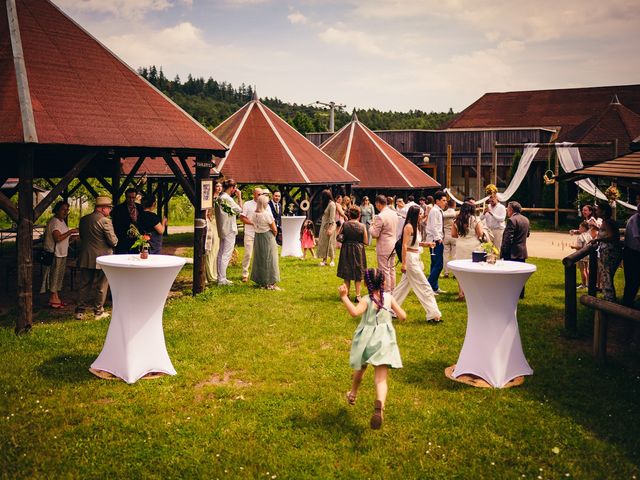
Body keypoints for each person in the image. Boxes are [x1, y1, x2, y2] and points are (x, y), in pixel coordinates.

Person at [340, 268, 406, 430]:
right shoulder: (389, 298)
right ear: (384, 283)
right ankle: (379, 406)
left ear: (365, 283)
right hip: (383, 341)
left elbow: (355, 313)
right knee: (381, 379)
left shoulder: (366, 300)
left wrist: (343, 297)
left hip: (366, 341)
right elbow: (403, 316)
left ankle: (353, 394)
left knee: (360, 369)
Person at [393, 206, 441, 322]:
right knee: (424, 286)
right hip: (410, 260)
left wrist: (427, 244)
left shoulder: (415, 227)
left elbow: (414, 244)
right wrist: (404, 264)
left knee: (402, 287)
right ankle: (433, 314)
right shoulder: (409, 227)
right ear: (415, 214)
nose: (422, 216)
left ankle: (388, 308)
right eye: (420, 214)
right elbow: (404, 245)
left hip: (415, 257)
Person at [75, 196, 118, 320]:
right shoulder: (105, 221)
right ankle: (98, 312)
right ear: (103, 208)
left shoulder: (83, 220)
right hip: (103, 258)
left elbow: (83, 237)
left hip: (86, 256)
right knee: (102, 285)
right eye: (109, 208)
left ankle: (79, 311)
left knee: (84, 285)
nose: (110, 210)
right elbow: (113, 241)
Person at [40, 201, 78, 308]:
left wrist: (71, 239)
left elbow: (63, 240)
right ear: (56, 210)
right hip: (55, 253)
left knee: (59, 276)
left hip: (62, 253)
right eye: (63, 209)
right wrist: (70, 232)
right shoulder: (54, 222)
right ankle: (53, 299)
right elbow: (57, 238)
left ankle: (56, 297)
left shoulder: (62, 221)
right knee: (54, 276)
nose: (66, 212)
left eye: (67, 209)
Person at [215, 179, 250, 286]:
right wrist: (239, 197)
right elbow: (240, 210)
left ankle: (220, 277)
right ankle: (222, 279)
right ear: (232, 188)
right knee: (226, 254)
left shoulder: (220, 198)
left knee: (221, 253)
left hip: (222, 228)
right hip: (229, 228)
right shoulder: (227, 199)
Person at [451, 202, 483, 300]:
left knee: (461, 269)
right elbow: (480, 233)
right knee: (474, 269)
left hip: (461, 245)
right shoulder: (475, 220)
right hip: (474, 245)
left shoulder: (456, 221)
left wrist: (461, 236)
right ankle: (473, 292)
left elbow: (453, 235)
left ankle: (461, 293)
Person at [250, 194, 281, 290]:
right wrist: (274, 234)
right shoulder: (266, 214)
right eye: (267, 202)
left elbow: (253, 224)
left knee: (260, 258)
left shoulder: (253, 214)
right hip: (267, 236)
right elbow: (274, 229)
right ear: (264, 203)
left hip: (258, 236)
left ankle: (261, 281)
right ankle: (270, 282)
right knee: (270, 258)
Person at [592, 204, 622, 302]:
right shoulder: (611, 221)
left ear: (603, 212)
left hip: (609, 252)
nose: (596, 212)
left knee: (606, 276)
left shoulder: (607, 222)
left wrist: (597, 239)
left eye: (598, 210)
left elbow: (612, 236)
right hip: (613, 251)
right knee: (608, 276)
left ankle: (609, 301)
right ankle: (610, 299)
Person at [337, 206, 368, 301]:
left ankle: (346, 294)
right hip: (358, 250)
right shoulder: (362, 226)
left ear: (349, 215)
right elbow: (366, 241)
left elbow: (338, 237)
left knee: (347, 273)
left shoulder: (345, 225)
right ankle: (358, 295)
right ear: (359, 215)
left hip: (346, 249)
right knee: (358, 273)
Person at [500, 201, 530, 299]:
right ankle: (521, 294)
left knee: (510, 275)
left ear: (511, 209)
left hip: (512, 252)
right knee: (520, 275)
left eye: (508, 209)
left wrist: (504, 251)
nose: (507, 211)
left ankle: (511, 294)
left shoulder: (512, 220)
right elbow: (528, 234)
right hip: (522, 251)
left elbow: (508, 238)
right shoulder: (526, 219)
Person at [369, 195, 397, 291]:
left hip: (384, 246)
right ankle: (393, 290)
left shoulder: (380, 216)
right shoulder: (394, 213)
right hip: (393, 244)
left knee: (384, 270)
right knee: (392, 269)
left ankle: (386, 291)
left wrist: (371, 227)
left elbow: (375, 234)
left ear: (378, 204)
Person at [425, 190, 447, 294]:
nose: (445, 202)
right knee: (439, 264)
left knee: (434, 264)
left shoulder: (438, 210)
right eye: (443, 200)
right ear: (437, 201)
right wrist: (438, 238)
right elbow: (433, 226)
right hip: (435, 241)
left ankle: (434, 287)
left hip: (436, 239)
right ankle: (428, 287)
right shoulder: (434, 211)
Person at [111, 188, 144, 254]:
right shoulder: (118, 209)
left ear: (136, 197)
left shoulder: (140, 207)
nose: (131, 200)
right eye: (129, 197)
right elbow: (115, 224)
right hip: (123, 241)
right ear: (125, 197)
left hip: (137, 240)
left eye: (133, 197)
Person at [241, 187, 263, 282]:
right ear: (254, 194)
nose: (260, 196)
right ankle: (245, 274)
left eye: (261, 194)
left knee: (260, 255)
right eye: (258, 194)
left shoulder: (265, 204)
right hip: (249, 233)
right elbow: (242, 218)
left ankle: (259, 274)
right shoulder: (247, 204)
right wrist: (253, 223)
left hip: (261, 233)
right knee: (248, 254)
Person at [622, 203, 640, 308]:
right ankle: (627, 305)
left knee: (635, 280)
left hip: (636, 253)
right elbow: (638, 237)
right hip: (632, 253)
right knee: (632, 280)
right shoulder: (635, 220)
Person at [204, 181, 222, 285]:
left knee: (217, 249)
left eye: (220, 186)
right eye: (217, 186)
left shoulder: (222, 198)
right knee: (211, 248)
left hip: (219, 224)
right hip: (212, 223)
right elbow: (207, 212)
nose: (219, 188)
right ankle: (209, 274)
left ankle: (215, 273)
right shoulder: (210, 199)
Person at [317, 189, 337, 267]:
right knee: (324, 243)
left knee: (331, 242)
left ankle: (332, 260)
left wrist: (330, 228)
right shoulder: (326, 204)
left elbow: (332, 217)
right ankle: (324, 260)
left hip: (330, 226)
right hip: (324, 226)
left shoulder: (332, 204)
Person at [570, 221, 591, 289]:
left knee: (582, 270)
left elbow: (580, 246)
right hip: (587, 254)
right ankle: (588, 284)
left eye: (580, 227)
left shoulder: (580, 236)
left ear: (584, 228)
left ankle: (584, 285)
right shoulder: (589, 235)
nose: (579, 229)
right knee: (587, 269)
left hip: (581, 255)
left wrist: (573, 246)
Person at [442, 198, 457, 279]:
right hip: (454, 235)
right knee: (454, 255)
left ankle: (446, 272)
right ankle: (455, 273)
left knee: (446, 255)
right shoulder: (456, 213)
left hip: (446, 235)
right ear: (454, 205)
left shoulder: (444, 213)